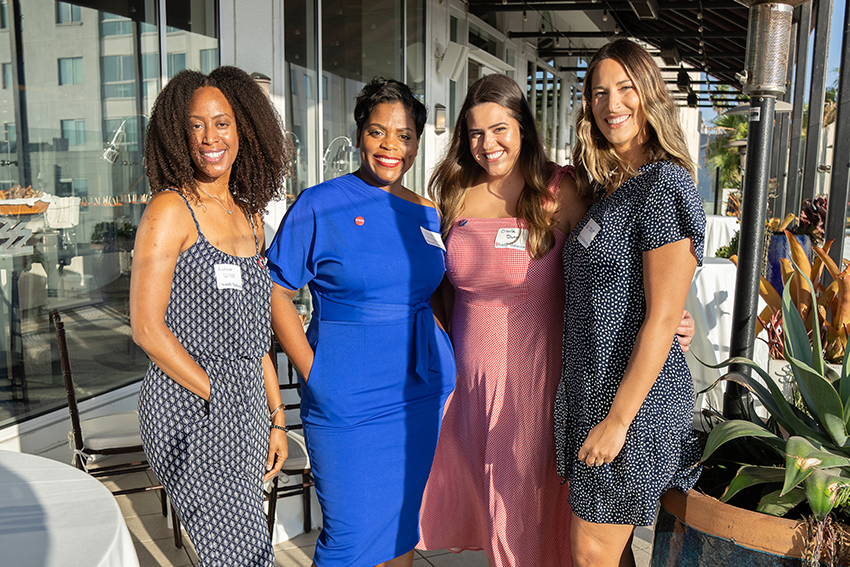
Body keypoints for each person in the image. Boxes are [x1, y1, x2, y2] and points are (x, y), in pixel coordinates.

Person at [416, 74, 695, 566]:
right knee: (497, 512)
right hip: (471, 387)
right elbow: (440, 292)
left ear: (523, 127)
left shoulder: (561, 187)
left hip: (536, 382)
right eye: (475, 132)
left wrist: (669, 314)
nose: (488, 144)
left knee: (531, 520)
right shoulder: (454, 194)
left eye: (500, 128)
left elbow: (607, 270)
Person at [265, 78, 456, 567]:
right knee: (348, 541)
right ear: (358, 135)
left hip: (418, 392)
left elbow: (434, 292)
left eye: (405, 135)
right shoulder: (320, 203)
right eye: (378, 132)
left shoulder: (427, 212)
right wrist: (316, 374)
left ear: (417, 142)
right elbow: (274, 292)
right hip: (345, 396)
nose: (391, 146)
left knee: (401, 530)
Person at [131, 66, 293, 567]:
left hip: (245, 403)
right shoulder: (169, 210)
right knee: (238, 553)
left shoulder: (249, 217)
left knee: (246, 549)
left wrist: (276, 417)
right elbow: (146, 329)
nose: (209, 138)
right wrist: (218, 395)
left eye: (221, 123)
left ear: (244, 128)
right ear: (178, 135)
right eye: (195, 125)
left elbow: (254, 337)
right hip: (190, 402)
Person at [554, 39, 704, 567]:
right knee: (605, 554)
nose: (611, 103)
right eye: (599, 92)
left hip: (631, 405)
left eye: (625, 88)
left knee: (592, 551)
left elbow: (663, 318)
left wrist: (618, 421)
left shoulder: (664, 185)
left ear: (649, 94)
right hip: (596, 394)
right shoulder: (613, 188)